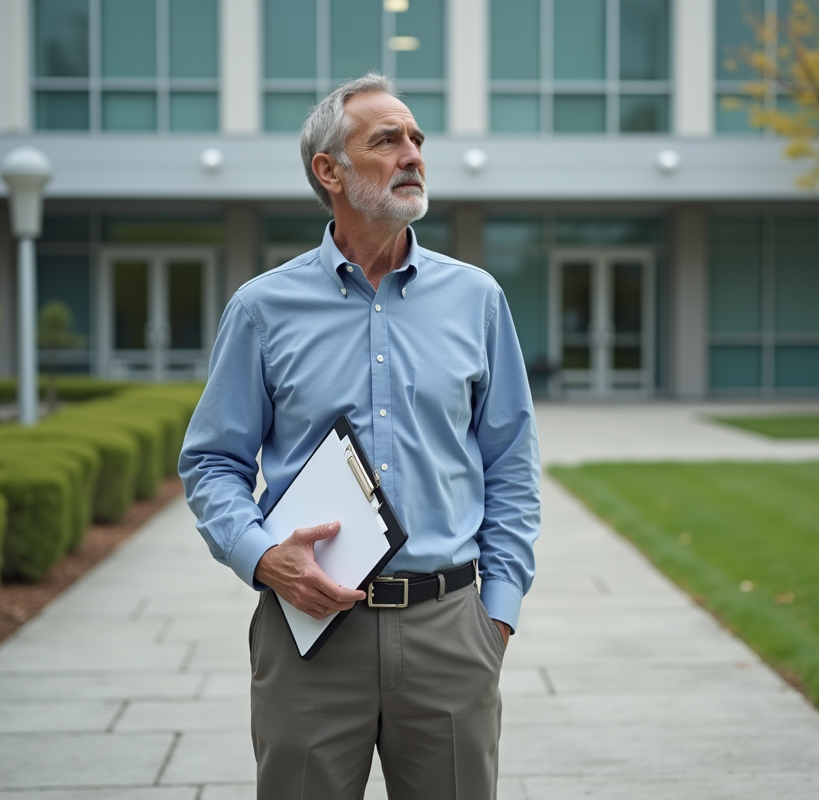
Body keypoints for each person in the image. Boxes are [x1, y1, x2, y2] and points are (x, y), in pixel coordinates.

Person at [179, 72, 541, 799]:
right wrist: (261, 557)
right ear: (329, 171)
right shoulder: (262, 309)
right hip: (308, 637)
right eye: (387, 140)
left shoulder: (477, 299)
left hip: (450, 632)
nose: (412, 153)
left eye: (416, 139)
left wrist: (495, 613)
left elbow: (511, 463)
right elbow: (212, 463)